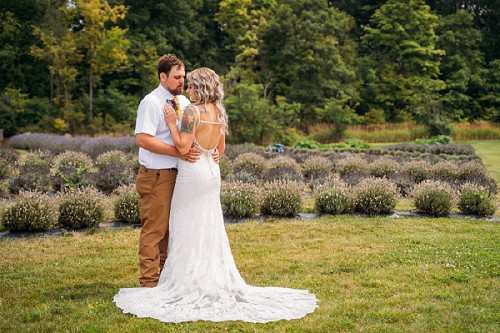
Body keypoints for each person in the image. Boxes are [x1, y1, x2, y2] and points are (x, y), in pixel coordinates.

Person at [114, 67, 317, 323]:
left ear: (200, 87)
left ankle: (185, 280)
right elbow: (220, 148)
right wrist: (210, 150)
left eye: (191, 86)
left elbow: (183, 146)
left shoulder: (192, 111)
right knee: (208, 225)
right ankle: (204, 276)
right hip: (211, 171)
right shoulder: (219, 111)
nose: (187, 90)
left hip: (192, 174)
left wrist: (169, 124)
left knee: (185, 225)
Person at [134, 54, 207, 288]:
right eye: (176, 77)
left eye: (183, 77)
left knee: (172, 231)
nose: (181, 82)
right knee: (155, 231)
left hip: (180, 176)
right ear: (162, 76)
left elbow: (192, 137)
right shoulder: (151, 102)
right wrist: (177, 153)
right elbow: (143, 139)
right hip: (156, 175)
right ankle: (148, 283)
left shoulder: (185, 104)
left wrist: (210, 151)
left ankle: (166, 279)